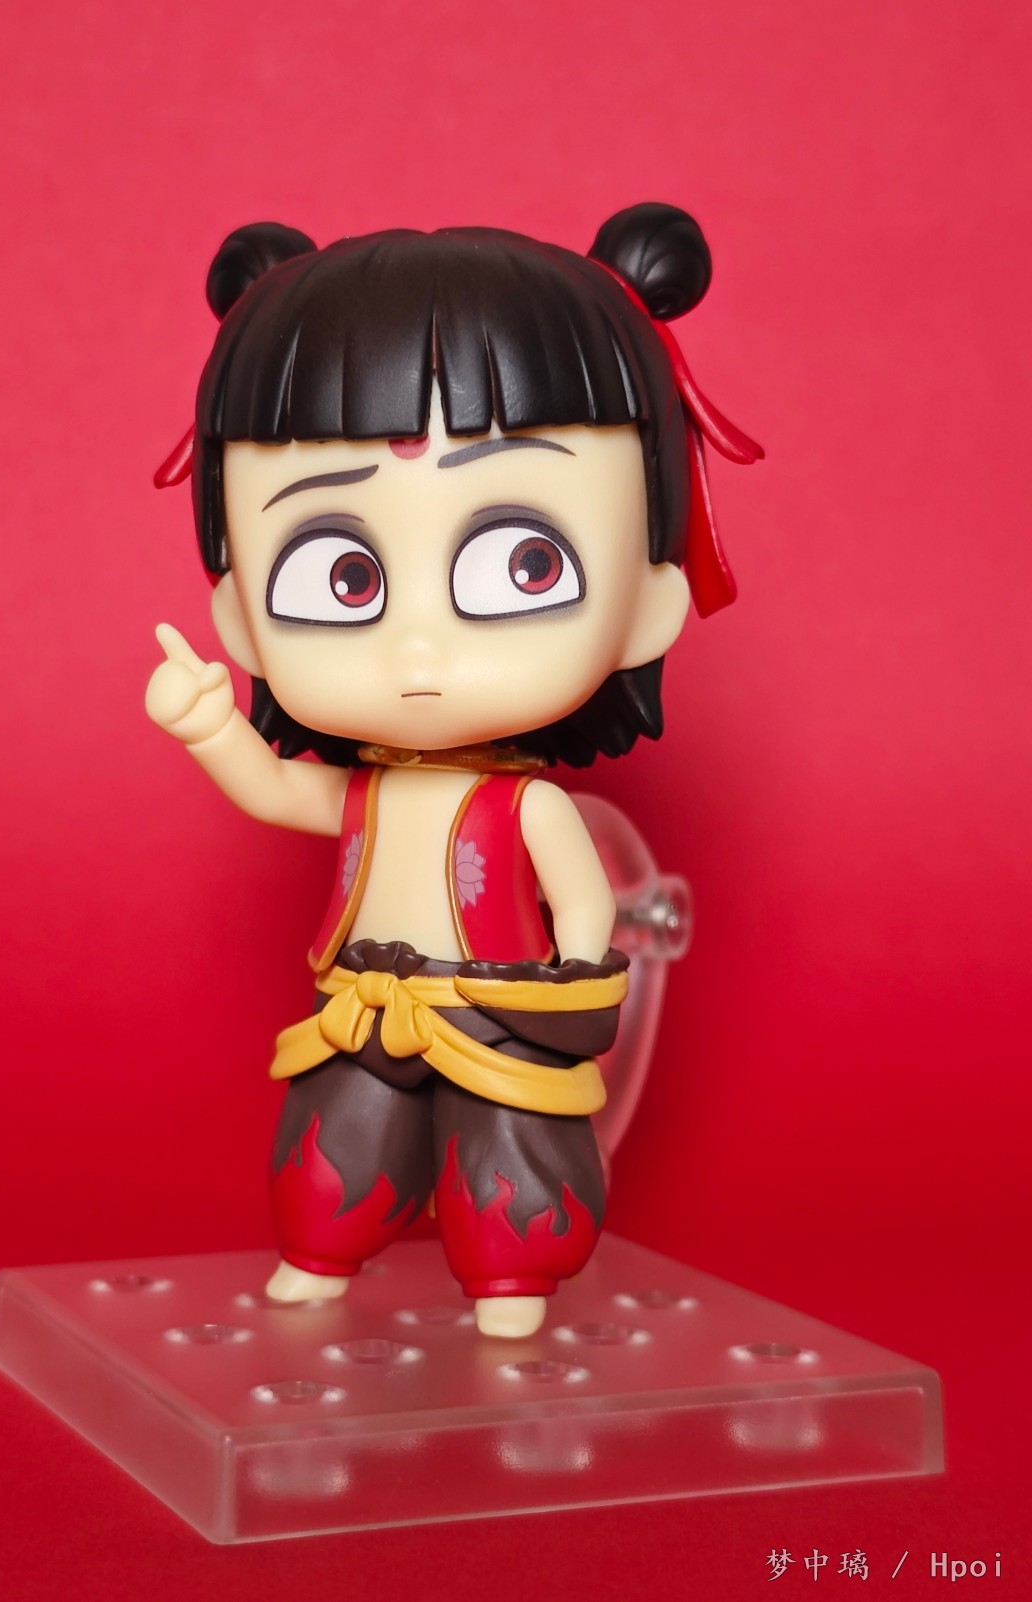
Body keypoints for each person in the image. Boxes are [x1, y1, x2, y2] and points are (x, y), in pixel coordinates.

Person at [147, 206, 759, 1337]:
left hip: (498, 1013)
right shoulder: (372, 794)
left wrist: (570, 978)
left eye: (524, 564)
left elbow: (583, 902)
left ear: (648, 601)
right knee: (335, 1146)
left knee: (511, 1163)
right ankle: (320, 1257)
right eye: (344, 577)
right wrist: (210, 729)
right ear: (239, 615)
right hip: (363, 1008)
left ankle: (512, 1285)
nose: (417, 649)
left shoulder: (524, 804)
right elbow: (279, 789)